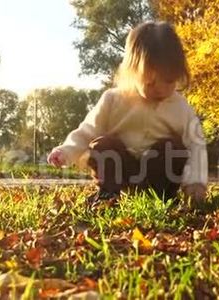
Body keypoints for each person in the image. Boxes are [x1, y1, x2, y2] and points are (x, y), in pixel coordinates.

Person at [47, 21, 208, 207]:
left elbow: (196, 145)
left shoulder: (180, 107)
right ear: (132, 72)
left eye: (169, 81)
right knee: (103, 145)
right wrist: (66, 151)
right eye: (150, 83)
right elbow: (88, 130)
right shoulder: (114, 100)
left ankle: (161, 197)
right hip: (121, 173)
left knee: (173, 148)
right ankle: (108, 194)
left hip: (159, 177)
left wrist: (195, 183)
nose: (161, 90)